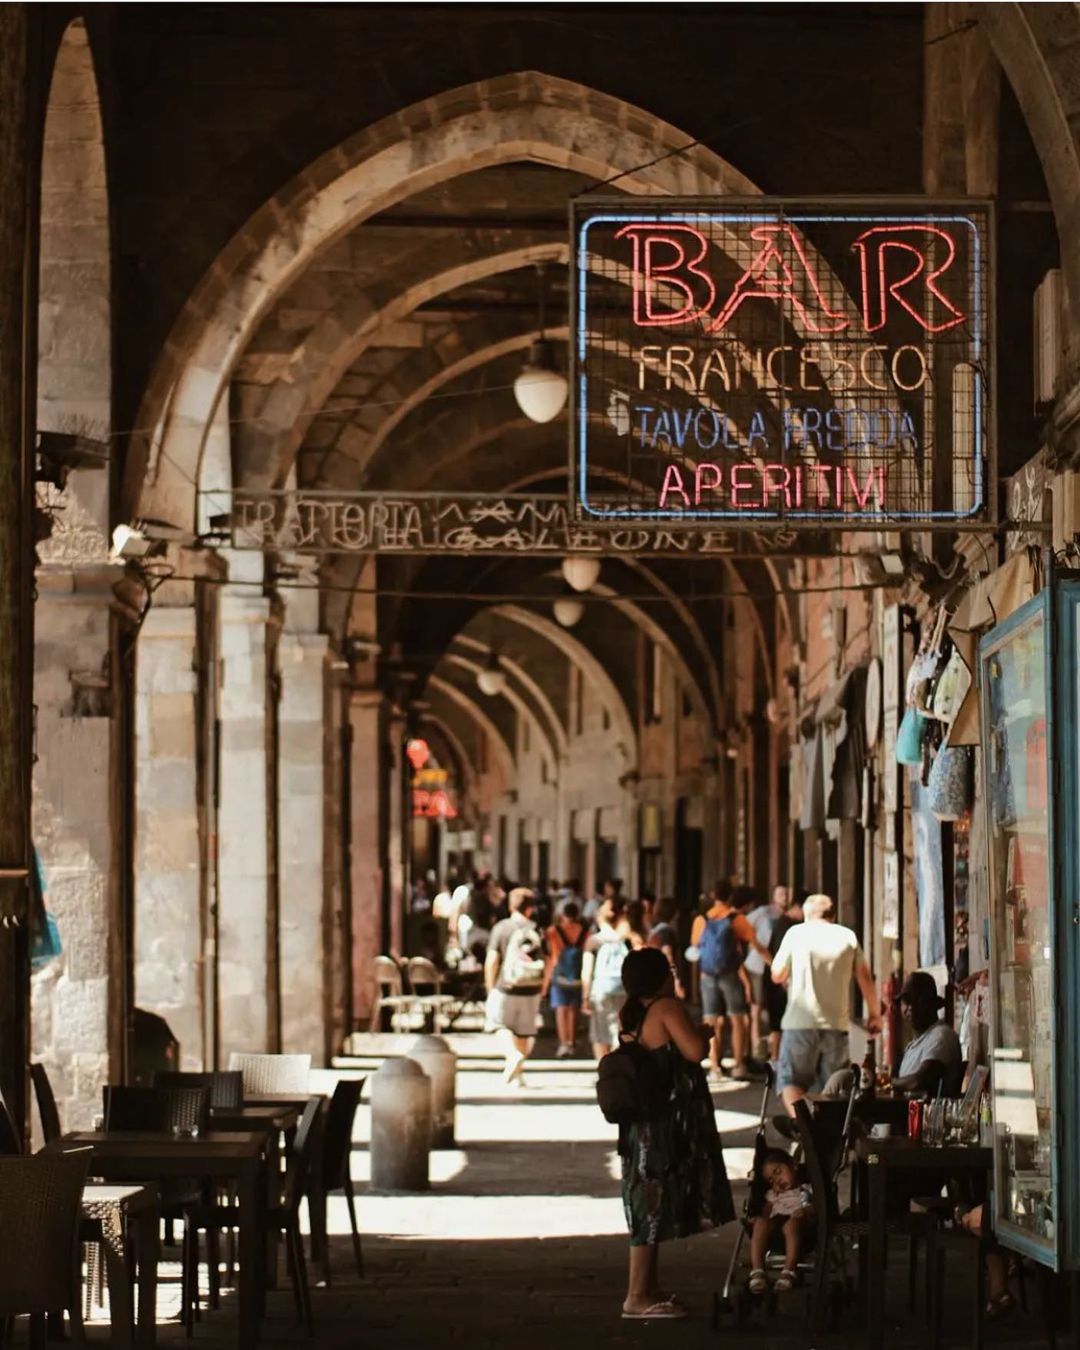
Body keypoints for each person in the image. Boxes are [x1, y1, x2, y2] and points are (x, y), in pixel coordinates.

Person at [617, 947, 734, 1320]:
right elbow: (694, 1051)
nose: (673, 974)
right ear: (659, 977)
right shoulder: (666, 1007)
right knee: (650, 1208)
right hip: (663, 1125)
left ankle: (648, 1290)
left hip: (643, 1124)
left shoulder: (634, 1012)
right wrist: (705, 1034)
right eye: (669, 969)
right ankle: (636, 1296)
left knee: (648, 1205)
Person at [770, 893, 882, 1114]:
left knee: (791, 1081)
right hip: (836, 1026)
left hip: (799, 1024)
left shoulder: (796, 933)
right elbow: (865, 977)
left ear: (806, 914)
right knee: (834, 1088)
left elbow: (777, 974)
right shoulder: (847, 936)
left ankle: (803, 1126)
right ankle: (823, 1129)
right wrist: (875, 1014)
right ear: (833, 915)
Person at [689, 881, 772, 1080]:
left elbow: (695, 949)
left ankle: (714, 1068)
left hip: (707, 975)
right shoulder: (736, 919)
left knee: (712, 1021)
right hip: (731, 974)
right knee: (737, 1018)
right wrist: (773, 963)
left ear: (713, 896)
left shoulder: (701, 920)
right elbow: (756, 945)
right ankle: (738, 1065)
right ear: (730, 897)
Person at [484, 888, 545, 1085]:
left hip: (507, 986)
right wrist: (544, 985)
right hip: (532, 987)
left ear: (511, 906)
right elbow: (549, 960)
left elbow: (492, 960)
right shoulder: (538, 929)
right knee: (524, 1031)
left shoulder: (502, 928)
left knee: (499, 1025)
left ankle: (511, 1055)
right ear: (530, 908)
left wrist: (491, 988)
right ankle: (519, 1075)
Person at [748, 1149, 813, 1294]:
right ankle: (757, 1271)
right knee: (760, 1223)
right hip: (775, 1225)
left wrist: (806, 1211)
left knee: (791, 1225)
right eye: (771, 1180)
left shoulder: (806, 1189)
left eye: (778, 1172)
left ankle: (788, 1271)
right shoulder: (772, 1195)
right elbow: (766, 1213)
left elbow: (816, 1208)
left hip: (799, 1224)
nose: (777, 1180)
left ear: (793, 1165)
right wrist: (757, 1218)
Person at [891, 970, 963, 1096]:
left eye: (919, 1000)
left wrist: (891, 1083)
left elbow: (919, 1081)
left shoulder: (942, 1035)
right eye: (907, 1001)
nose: (911, 1007)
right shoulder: (912, 1046)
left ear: (932, 1004)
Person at [582, 893, 629, 1058]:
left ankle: (604, 1066)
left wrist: (585, 996)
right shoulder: (625, 939)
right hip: (622, 987)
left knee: (600, 1032)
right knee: (619, 1028)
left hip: (601, 988)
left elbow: (586, 971)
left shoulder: (594, 941)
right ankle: (619, 1063)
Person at [745, 885, 788, 1059]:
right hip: (758, 964)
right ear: (773, 896)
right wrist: (754, 944)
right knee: (756, 1007)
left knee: (775, 1006)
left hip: (778, 967)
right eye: (780, 893)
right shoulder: (764, 912)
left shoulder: (789, 917)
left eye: (786, 893)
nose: (784, 896)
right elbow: (745, 925)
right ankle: (756, 1047)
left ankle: (773, 1047)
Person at [544, 899, 587, 1058]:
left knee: (561, 1009)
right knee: (574, 1009)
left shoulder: (554, 931)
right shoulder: (584, 931)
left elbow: (551, 954)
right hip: (578, 974)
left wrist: (545, 983)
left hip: (560, 974)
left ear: (562, 915)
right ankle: (572, 1042)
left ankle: (563, 1043)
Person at [647, 896, 685, 998]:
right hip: (664, 980)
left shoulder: (654, 932)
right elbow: (668, 957)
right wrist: (676, 980)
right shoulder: (666, 932)